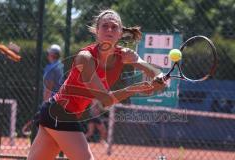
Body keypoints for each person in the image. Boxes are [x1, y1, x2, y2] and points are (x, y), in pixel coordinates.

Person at [28, 9, 166, 160]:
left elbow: (155, 72)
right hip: (59, 113)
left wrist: (158, 79)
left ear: (120, 33)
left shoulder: (124, 55)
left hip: (57, 113)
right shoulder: (85, 58)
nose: (109, 30)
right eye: (105, 26)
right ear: (96, 31)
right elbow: (105, 100)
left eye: (114, 27)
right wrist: (135, 88)